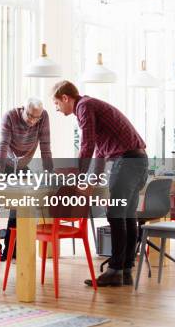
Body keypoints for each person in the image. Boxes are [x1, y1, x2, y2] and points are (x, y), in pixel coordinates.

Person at [51, 80, 148, 287]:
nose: (57, 109)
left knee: (116, 215)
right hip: (138, 160)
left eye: (57, 104)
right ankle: (125, 270)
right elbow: (99, 153)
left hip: (127, 162)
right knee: (127, 215)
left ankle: (115, 271)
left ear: (65, 98)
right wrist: (90, 181)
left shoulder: (84, 107)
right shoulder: (92, 107)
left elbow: (86, 144)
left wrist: (77, 175)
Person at [0, 97, 54, 261]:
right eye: (30, 115)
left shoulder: (43, 117)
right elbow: (3, 145)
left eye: (36, 117)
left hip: (22, 164)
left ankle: (12, 247)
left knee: (20, 204)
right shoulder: (10, 116)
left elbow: (45, 146)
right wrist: (0, 175)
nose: (33, 121)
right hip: (1, 162)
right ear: (22, 109)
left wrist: (49, 172)